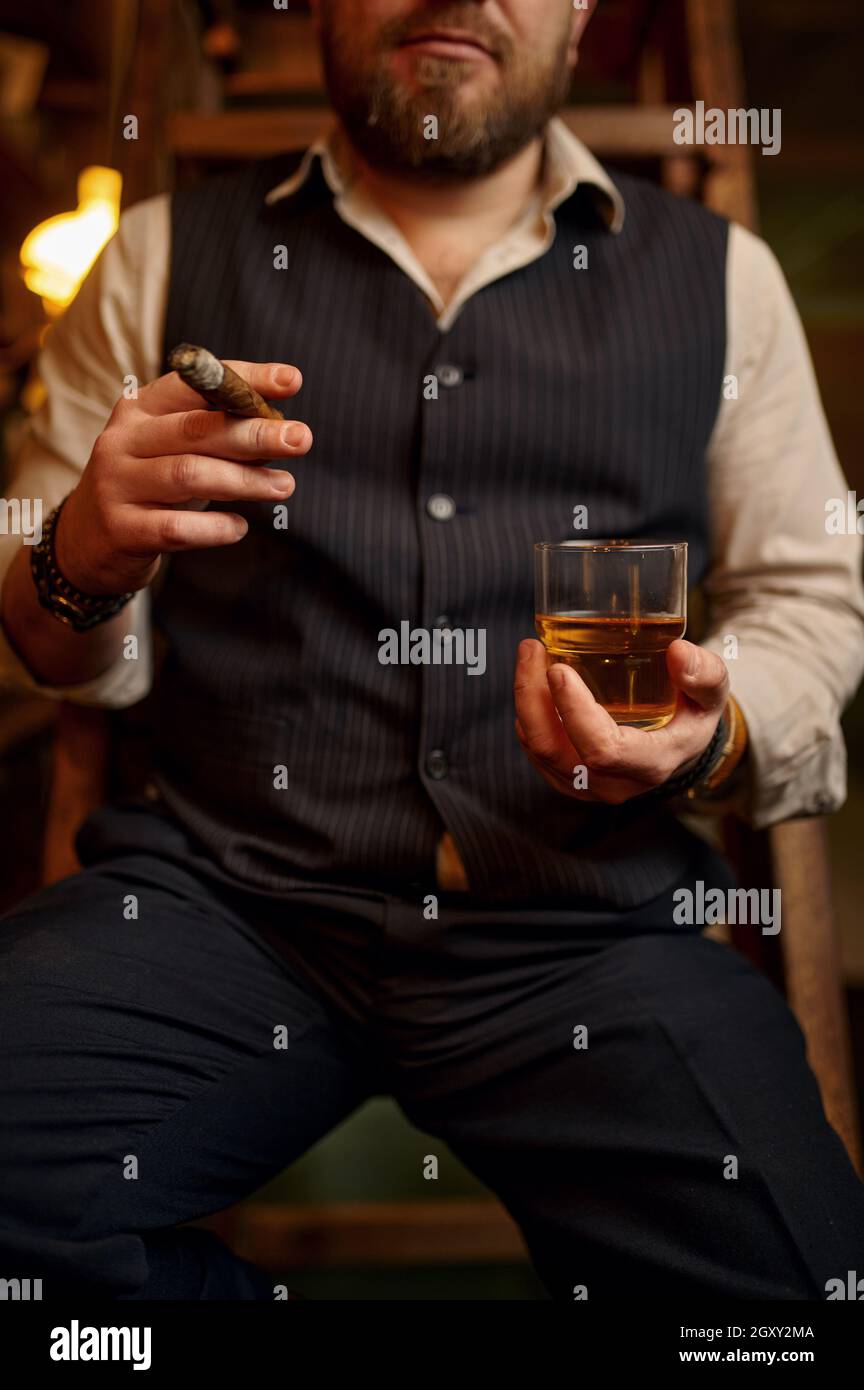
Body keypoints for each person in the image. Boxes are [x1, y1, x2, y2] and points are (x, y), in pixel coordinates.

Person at [1, 0, 862, 1300]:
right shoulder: (155, 258)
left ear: (582, 17)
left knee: (796, 1301)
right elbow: (44, 646)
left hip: (593, 925)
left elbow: (808, 603)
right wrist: (78, 555)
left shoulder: (724, 277)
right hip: (230, 900)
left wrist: (716, 728)